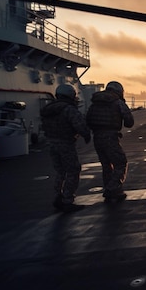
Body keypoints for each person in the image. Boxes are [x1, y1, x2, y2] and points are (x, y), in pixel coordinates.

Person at [40, 84, 91, 213]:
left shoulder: (48, 109)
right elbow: (79, 124)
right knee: (73, 170)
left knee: (60, 171)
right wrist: (86, 135)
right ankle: (67, 200)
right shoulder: (69, 109)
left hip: (51, 143)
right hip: (66, 143)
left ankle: (59, 196)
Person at [86, 81, 134, 203]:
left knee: (106, 166)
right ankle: (112, 188)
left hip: (97, 137)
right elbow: (129, 122)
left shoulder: (94, 103)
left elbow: (88, 119)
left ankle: (113, 191)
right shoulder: (117, 102)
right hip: (111, 137)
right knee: (121, 163)